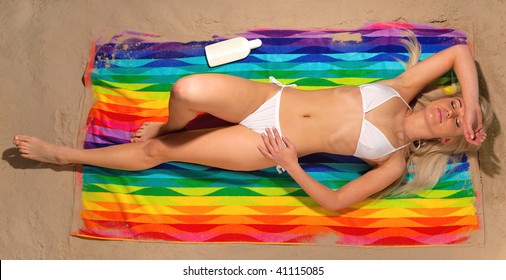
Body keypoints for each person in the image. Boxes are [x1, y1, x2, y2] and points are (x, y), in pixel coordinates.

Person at [13, 36, 492, 211]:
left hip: (267, 144)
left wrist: (291, 164)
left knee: (162, 154)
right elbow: (458, 53)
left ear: (449, 140)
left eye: (454, 119)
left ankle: (65, 156)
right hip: (272, 97)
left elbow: (335, 201)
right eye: (452, 104)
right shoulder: (403, 89)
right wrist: (472, 106)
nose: (447, 110)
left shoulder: (392, 161)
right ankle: (171, 126)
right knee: (185, 90)